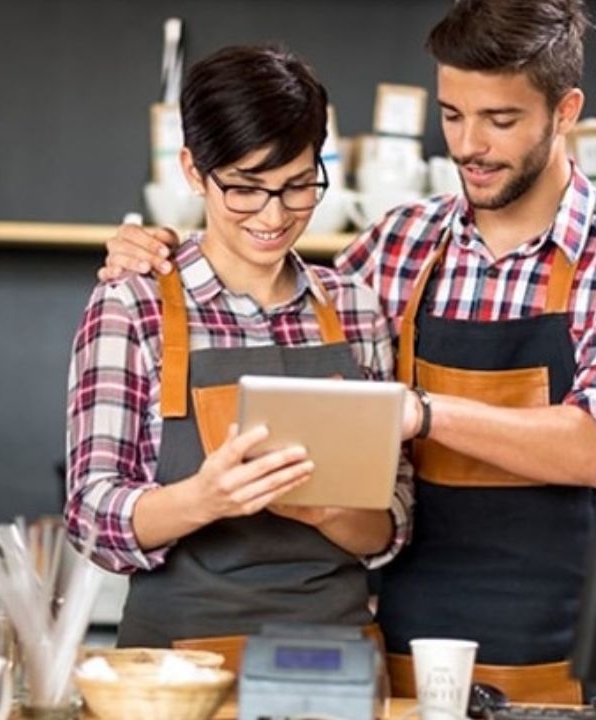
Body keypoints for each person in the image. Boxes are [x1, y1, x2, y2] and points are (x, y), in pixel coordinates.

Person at [98, 0, 596, 700]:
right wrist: (160, 254)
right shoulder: (400, 244)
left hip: (564, 658)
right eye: (452, 115)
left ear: (565, 112)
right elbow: (269, 301)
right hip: (405, 653)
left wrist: (420, 411)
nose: (469, 144)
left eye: (500, 120)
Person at [64, 45, 415, 661]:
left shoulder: (356, 310)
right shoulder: (133, 306)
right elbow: (91, 516)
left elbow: (391, 524)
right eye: (246, 189)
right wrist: (206, 498)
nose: (274, 216)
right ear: (194, 172)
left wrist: (331, 511)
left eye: (299, 186)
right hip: (174, 672)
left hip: (338, 666)